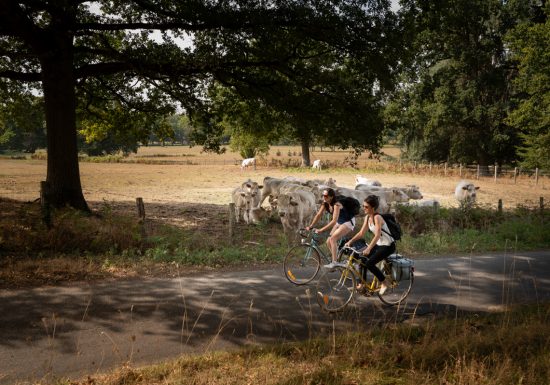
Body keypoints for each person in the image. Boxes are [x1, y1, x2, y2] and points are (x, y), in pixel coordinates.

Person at [344, 195, 395, 295]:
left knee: (369, 263)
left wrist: (369, 248)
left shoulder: (377, 218)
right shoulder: (367, 217)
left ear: (373, 208)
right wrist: (350, 241)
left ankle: (384, 282)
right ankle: (361, 285)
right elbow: (361, 233)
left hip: (388, 245)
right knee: (362, 260)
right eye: (363, 206)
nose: (364, 208)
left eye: (366, 207)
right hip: (379, 244)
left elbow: (377, 235)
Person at [306, 188, 356, 269]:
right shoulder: (325, 204)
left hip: (348, 222)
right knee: (328, 241)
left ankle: (334, 262)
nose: (323, 197)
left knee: (333, 239)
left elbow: (333, 221)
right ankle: (336, 259)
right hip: (339, 222)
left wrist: (321, 230)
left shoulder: (336, 205)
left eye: (326, 196)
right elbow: (318, 215)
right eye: (323, 195)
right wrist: (311, 226)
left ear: (331, 197)